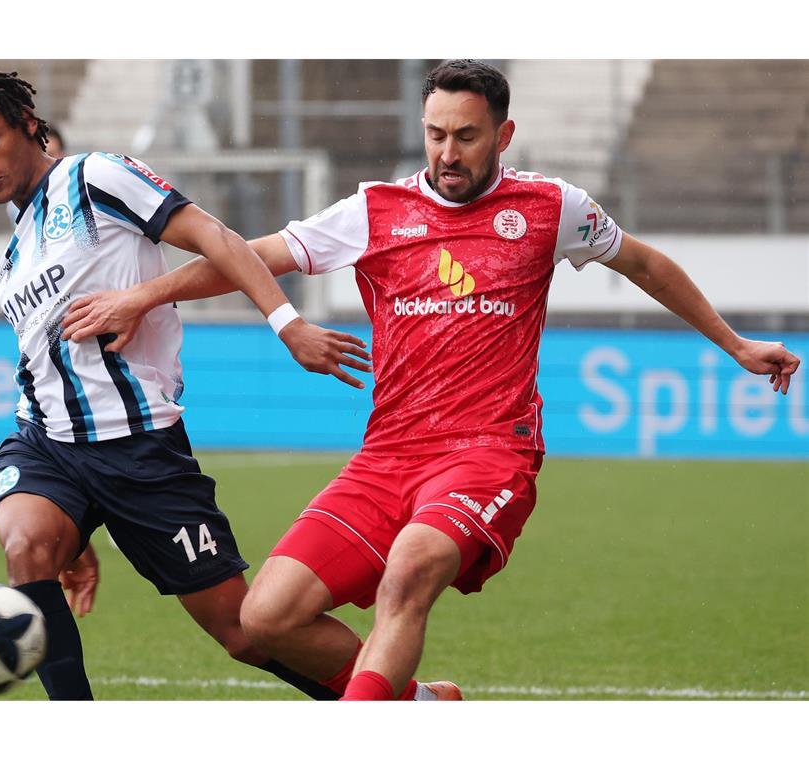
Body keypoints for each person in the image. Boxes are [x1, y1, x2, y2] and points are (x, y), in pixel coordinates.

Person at [59, 59, 802, 701]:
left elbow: (644, 264)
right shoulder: (375, 212)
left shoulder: (551, 208)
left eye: (467, 136)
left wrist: (734, 343)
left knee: (411, 568)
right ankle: (421, 708)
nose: (448, 152)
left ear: (503, 136)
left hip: (488, 451)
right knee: (264, 619)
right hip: (387, 457)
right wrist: (141, 293)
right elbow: (246, 255)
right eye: (436, 134)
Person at [0, 70, 371, 700]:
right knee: (28, 544)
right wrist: (68, 528)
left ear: (28, 124)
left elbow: (216, 239)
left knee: (245, 633)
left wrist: (288, 323)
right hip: (48, 445)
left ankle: (400, 705)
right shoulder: (19, 234)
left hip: (141, 452)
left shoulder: (94, 179)